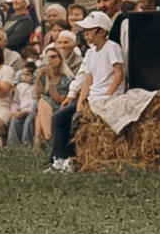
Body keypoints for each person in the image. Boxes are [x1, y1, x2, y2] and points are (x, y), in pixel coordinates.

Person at [51, 11, 124, 172]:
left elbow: (119, 74)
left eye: (89, 30)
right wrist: (80, 102)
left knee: (76, 120)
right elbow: (88, 80)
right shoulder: (90, 52)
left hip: (107, 98)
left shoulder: (112, 47)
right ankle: (58, 158)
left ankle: (71, 158)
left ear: (102, 31)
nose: (85, 34)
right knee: (58, 117)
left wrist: (107, 96)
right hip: (93, 97)